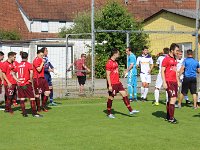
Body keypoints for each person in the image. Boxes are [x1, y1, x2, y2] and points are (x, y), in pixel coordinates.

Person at [105, 48, 139, 119]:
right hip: (113, 84)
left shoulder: (116, 62)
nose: (119, 54)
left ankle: (131, 110)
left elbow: (115, 72)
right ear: (114, 54)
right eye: (118, 53)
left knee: (125, 94)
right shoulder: (109, 63)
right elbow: (108, 75)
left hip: (118, 83)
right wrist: (110, 86)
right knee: (111, 98)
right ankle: (109, 113)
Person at [12, 52, 43, 117]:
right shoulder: (29, 64)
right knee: (32, 98)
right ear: (27, 57)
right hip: (26, 84)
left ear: (21, 57)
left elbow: (12, 73)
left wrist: (17, 80)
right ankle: (34, 113)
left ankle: (24, 113)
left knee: (22, 98)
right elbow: (31, 72)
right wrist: (30, 80)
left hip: (20, 84)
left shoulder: (18, 65)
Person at [161, 43, 180, 124]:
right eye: (177, 50)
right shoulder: (166, 59)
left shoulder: (175, 59)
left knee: (170, 99)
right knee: (173, 98)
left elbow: (175, 71)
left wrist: (178, 80)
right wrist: (164, 82)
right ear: (172, 50)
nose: (178, 52)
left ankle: (168, 116)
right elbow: (162, 71)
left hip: (174, 82)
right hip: (169, 81)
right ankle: (171, 118)